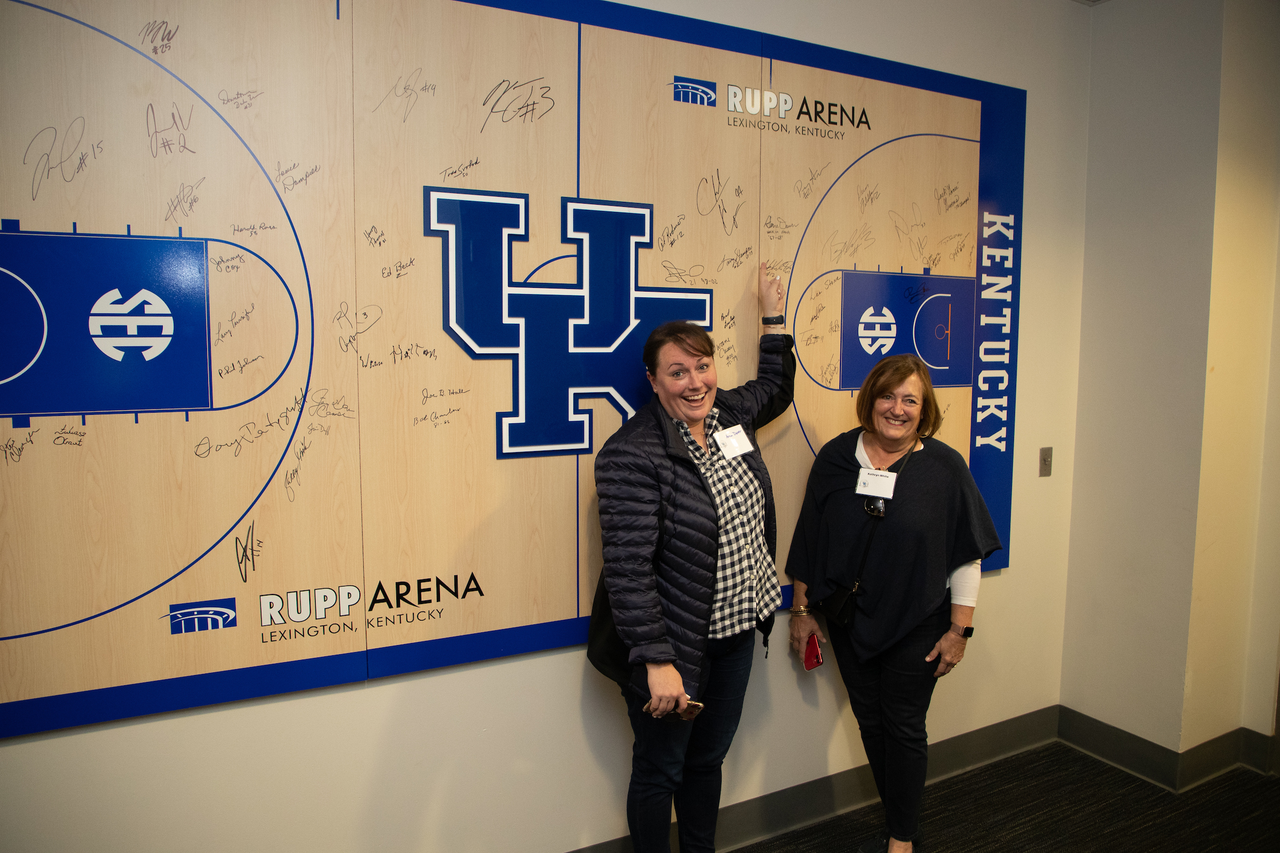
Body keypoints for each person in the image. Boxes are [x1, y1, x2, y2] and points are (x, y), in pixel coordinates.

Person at [587, 262, 795, 853]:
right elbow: (628, 571)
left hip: (734, 633)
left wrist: (772, 314)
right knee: (661, 772)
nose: (696, 381)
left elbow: (776, 388)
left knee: (707, 762)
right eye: (678, 372)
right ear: (654, 382)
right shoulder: (631, 455)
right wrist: (656, 659)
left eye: (702, 366)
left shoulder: (727, 415)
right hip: (676, 644)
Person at [785, 354, 1001, 853]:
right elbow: (810, 542)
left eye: (910, 400)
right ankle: (900, 819)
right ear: (870, 400)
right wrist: (801, 613)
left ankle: (901, 838)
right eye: (887, 396)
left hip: (918, 623)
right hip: (848, 621)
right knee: (871, 723)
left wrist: (959, 630)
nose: (897, 409)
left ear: (923, 410)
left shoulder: (944, 467)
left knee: (903, 727)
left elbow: (966, 555)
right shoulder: (837, 458)